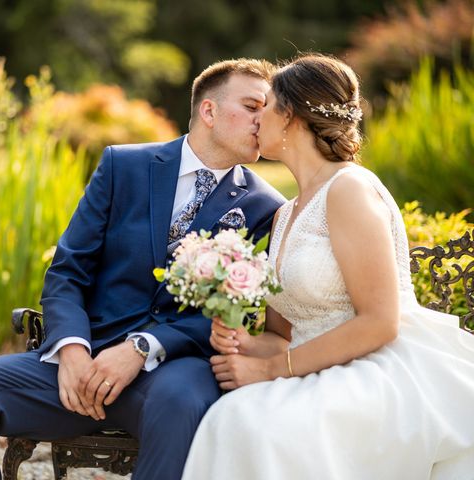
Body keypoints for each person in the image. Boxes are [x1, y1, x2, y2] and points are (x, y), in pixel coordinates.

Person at [0, 58, 285, 480]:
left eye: (267, 109)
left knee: (182, 404)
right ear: (208, 111)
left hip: (172, 371)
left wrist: (141, 347)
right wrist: (72, 351)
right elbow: (68, 271)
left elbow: (235, 314)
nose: (263, 120)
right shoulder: (123, 166)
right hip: (86, 362)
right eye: (252, 106)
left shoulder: (265, 207)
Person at [182, 54, 474, 480]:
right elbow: (281, 335)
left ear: (291, 116)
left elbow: (379, 323)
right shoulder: (283, 215)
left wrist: (269, 370)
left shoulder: (349, 189)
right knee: (231, 416)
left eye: (265, 105)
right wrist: (242, 344)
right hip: (316, 363)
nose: (256, 117)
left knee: (262, 427)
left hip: (380, 364)